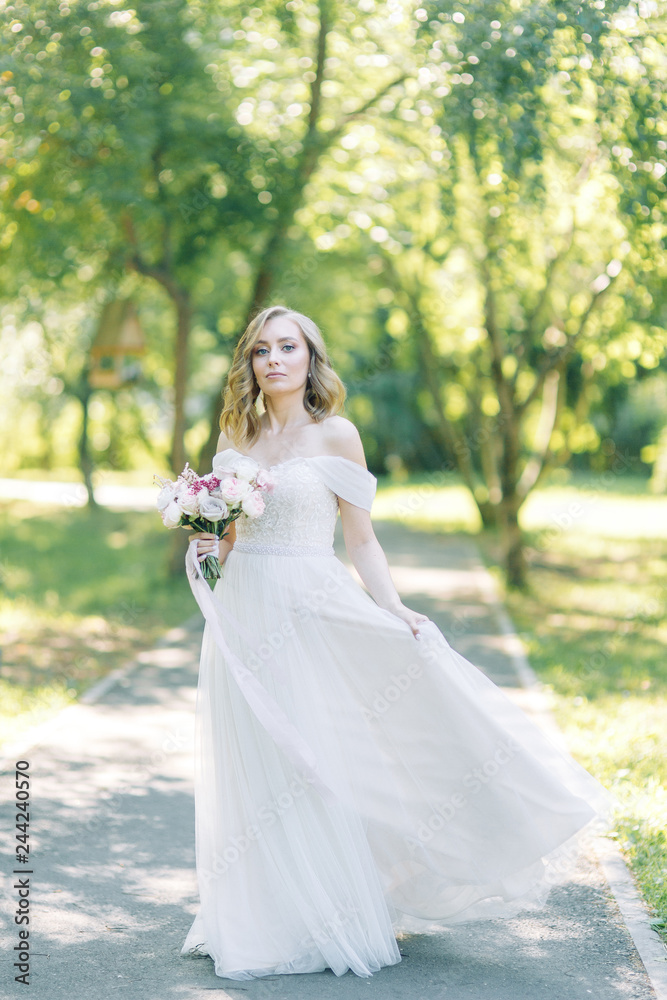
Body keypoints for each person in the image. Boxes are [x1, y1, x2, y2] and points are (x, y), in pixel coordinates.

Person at [180, 304, 610, 981]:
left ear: (310, 358)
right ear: (249, 363)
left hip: (312, 607)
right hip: (244, 616)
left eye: (287, 347)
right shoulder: (234, 439)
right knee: (256, 763)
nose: (274, 361)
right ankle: (258, 911)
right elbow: (232, 543)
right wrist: (210, 547)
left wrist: (395, 608)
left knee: (314, 761)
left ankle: (327, 910)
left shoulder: (336, 435)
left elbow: (361, 540)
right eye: (261, 350)